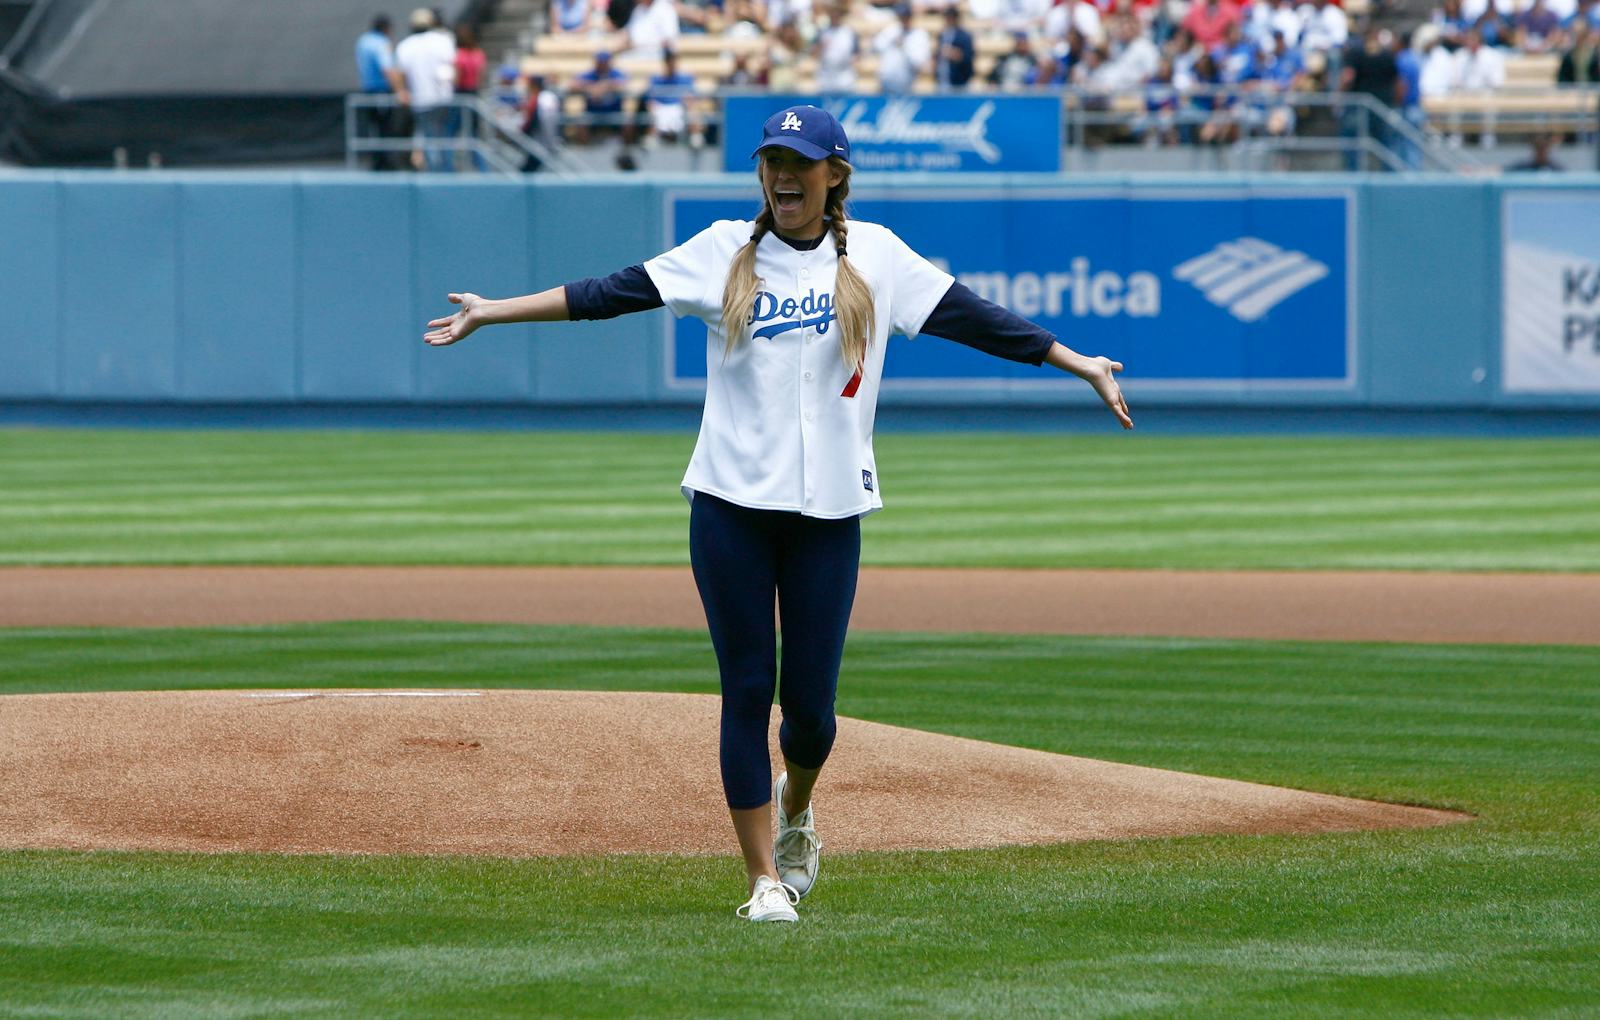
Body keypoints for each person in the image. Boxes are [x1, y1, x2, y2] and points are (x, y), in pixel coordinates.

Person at [421, 104, 1132, 924]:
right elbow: (607, 293)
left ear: (834, 174)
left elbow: (977, 318)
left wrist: (1077, 363)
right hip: (730, 507)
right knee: (746, 688)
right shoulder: (724, 250)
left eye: (799, 160)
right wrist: (492, 309)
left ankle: (798, 807)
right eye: (771, 159)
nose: (782, 174)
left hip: (829, 511)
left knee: (814, 716)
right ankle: (763, 879)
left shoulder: (877, 257)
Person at [394, 8, 457, 171]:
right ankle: (445, 170)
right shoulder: (443, 40)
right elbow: (453, 69)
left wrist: (402, 91)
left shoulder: (405, 46)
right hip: (444, 97)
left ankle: (435, 172)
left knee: (429, 137)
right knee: (444, 137)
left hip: (421, 100)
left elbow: (399, 74)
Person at [354, 14, 410, 170]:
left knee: (375, 128)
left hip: (368, 89)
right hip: (381, 91)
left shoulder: (363, 41)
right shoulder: (381, 43)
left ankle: (378, 162)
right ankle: (385, 164)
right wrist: (400, 90)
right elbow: (387, 69)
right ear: (386, 28)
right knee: (385, 128)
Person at [874, 3, 933, 93]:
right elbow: (876, 46)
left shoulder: (919, 35)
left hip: (906, 83)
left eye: (906, 16)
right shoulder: (891, 30)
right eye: (901, 16)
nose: (903, 19)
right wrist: (891, 42)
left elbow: (920, 61)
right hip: (885, 81)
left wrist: (905, 46)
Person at [935, 5, 978, 86]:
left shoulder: (964, 36)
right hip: (943, 81)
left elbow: (968, 57)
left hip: (959, 82)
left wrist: (952, 53)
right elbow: (938, 54)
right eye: (947, 17)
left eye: (951, 17)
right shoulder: (942, 35)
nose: (949, 19)